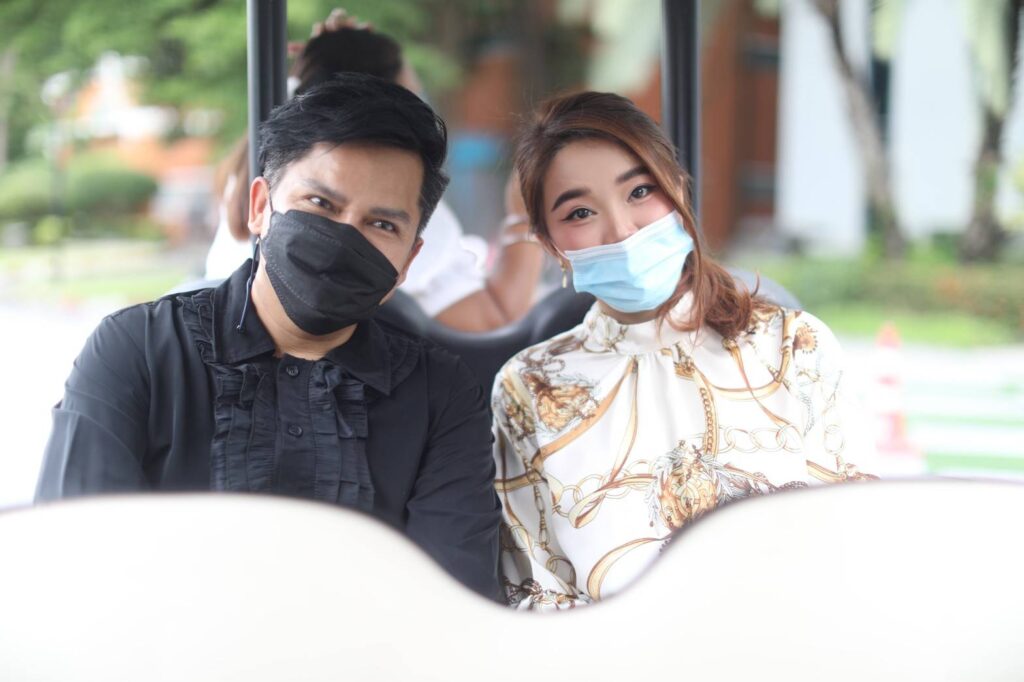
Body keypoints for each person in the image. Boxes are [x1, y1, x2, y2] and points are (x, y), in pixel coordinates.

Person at [37, 74, 503, 601]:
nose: (343, 238)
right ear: (260, 206)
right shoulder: (139, 350)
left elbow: (457, 601)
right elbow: (74, 563)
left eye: (381, 225)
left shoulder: (440, 394)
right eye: (321, 204)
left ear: (408, 262)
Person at [491, 91, 876, 610]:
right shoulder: (530, 386)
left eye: (639, 191)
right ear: (549, 243)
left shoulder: (792, 345)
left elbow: (856, 535)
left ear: (677, 187)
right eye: (580, 212)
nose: (622, 230)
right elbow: (537, 590)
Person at [206, 17, 545, 332]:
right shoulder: (391, 203)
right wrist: (525, 212)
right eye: (414, 97)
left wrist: (329, 57)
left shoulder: (257, 174)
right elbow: (492, 323)